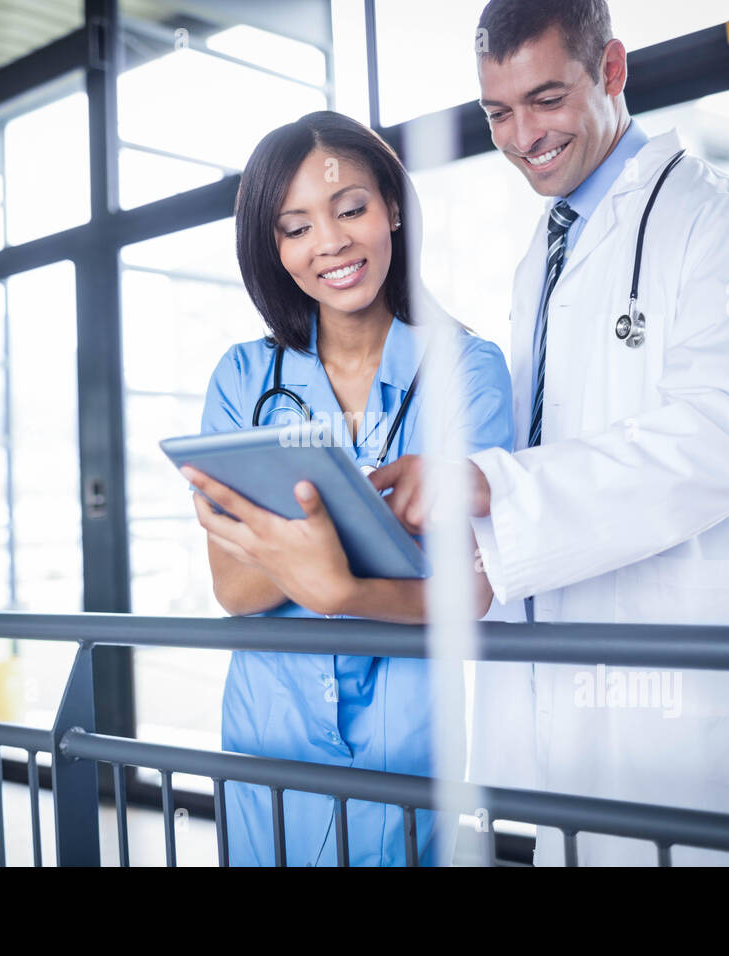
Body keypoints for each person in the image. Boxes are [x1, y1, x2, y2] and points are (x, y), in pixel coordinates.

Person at [370, 0, 729, 866]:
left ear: (612, 71)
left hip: (686, 670)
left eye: (546, 100)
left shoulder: (723, 221)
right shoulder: (547, 250)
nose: (521, 136)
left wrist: (496, 485)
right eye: (498, 112)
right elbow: (558, 436)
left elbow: (723, 441)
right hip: (568, 665)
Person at [181, 110, 514, 866]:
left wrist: (315, 567)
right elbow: (233, 587)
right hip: (270, 727)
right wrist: (368, 554)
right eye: (294, 227)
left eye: (351, 209)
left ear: (392, 206)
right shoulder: (244, 379)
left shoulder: (468, 371)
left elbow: (471, 588)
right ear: (274, 248)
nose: (329, 243)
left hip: (409, 734)